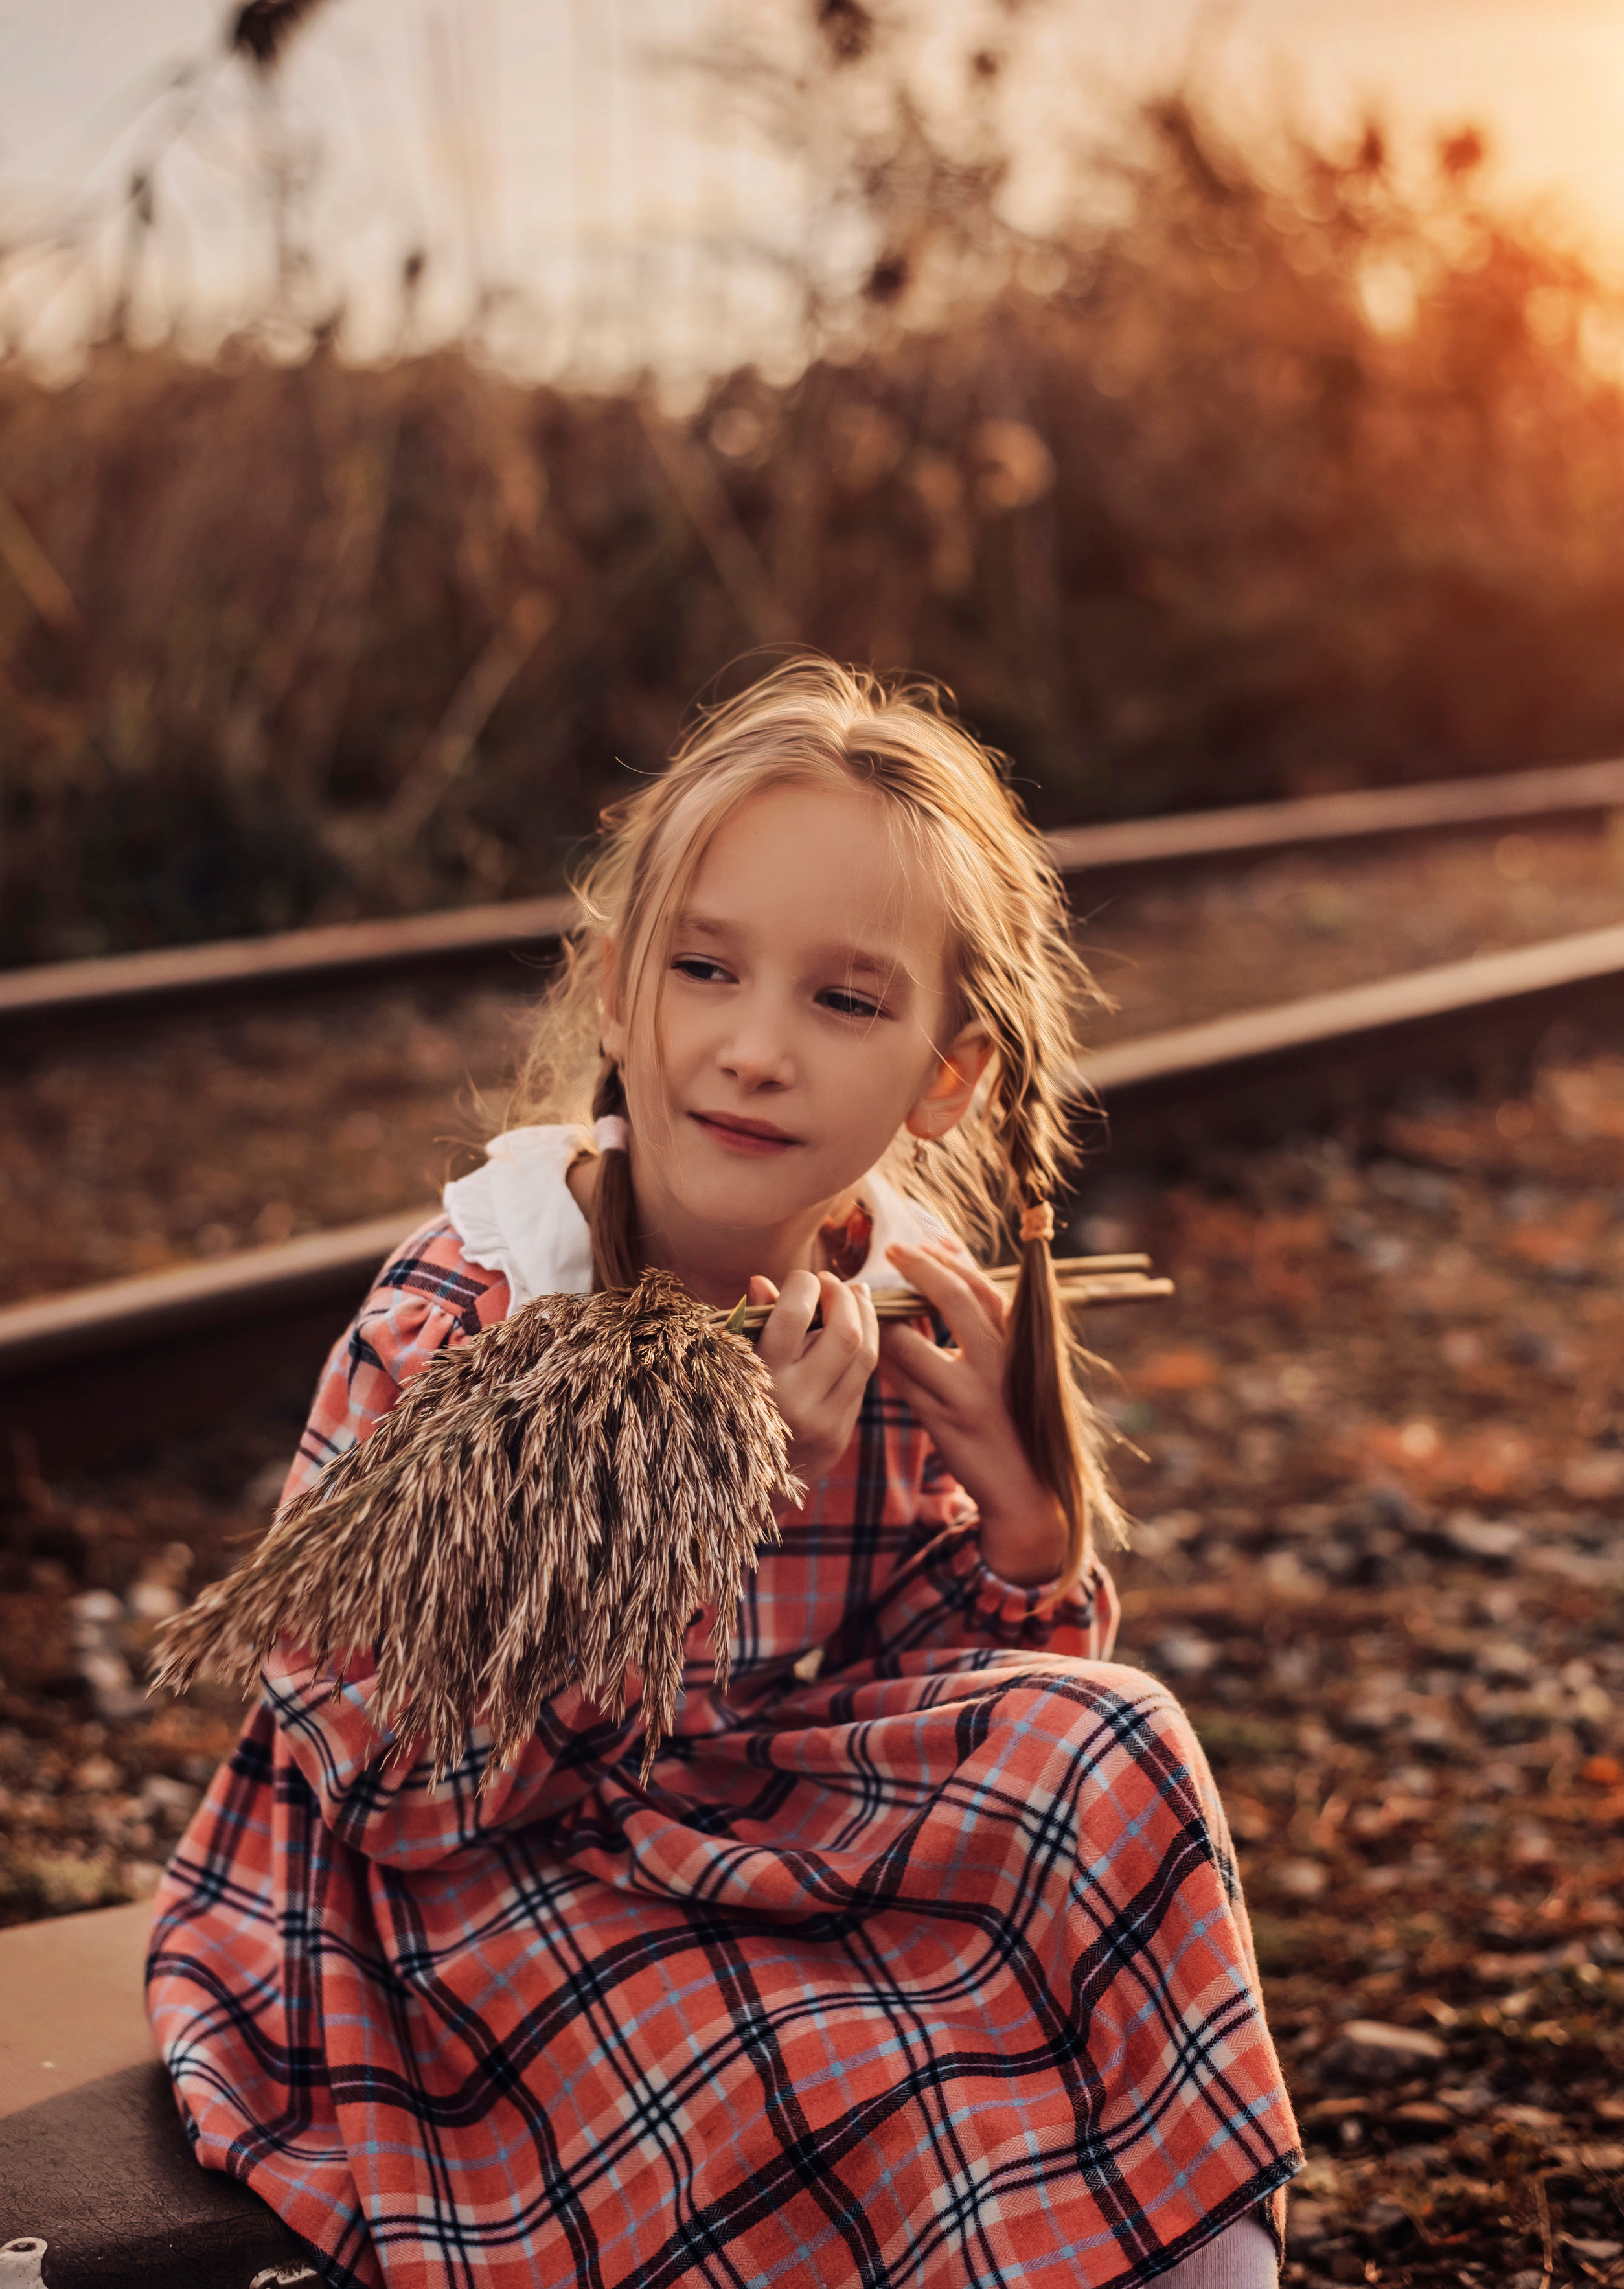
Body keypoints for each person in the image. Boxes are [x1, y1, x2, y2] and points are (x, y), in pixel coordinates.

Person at [148, 659, 1300, 2289]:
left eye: (846, 1002)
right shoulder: (475, 1315)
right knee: (826, 2058)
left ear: (946, 1075)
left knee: (1115, 1743)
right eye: (705, 970)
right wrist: (704, 1518)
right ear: (618, 995)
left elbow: (925, 1712)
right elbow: (392, 1791)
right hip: (462, 1892)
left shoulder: (888, 1304)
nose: (755, 1051)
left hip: (734, 1825)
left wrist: (1024, 1529)